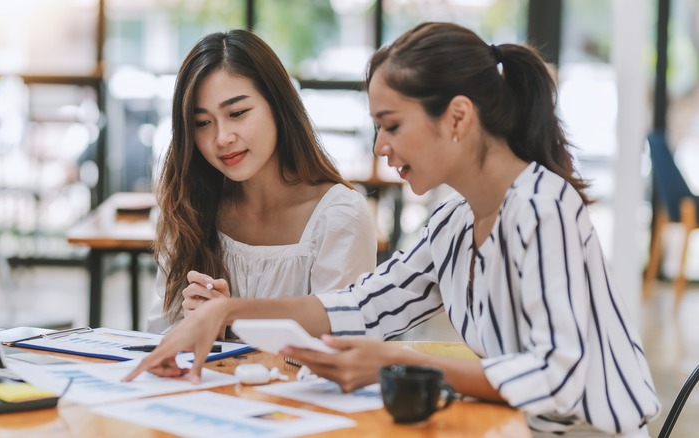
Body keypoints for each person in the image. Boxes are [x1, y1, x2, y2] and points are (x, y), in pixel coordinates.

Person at [126, 22, 660, 436]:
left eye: (392, 125)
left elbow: (561, 382)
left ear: (457, 118)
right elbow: (360, 306)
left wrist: (404, 361)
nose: (381, 147)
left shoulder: (543, 207)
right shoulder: (455, 222)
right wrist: (228, 310)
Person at [144, 29, 377, 335]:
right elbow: (158, 338)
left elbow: (343, 348)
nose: (222, 138)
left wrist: (233, 321)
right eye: (202, 123)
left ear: (278, 107)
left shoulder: (339, 217)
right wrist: (196, 327)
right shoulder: (188, 206)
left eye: (238, 113)